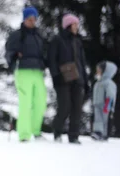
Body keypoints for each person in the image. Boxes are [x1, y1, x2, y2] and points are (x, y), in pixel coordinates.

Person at [4, 6, 48, 142]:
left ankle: (36, 130)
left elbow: (44, 52)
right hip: (23, 71)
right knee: (25, 103)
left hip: (37, 72)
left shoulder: (38, 35)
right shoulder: (17, 35)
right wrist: (14, 60)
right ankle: (24, 134)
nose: (32, 21)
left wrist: (45, 64)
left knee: (40, 102)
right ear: (24, 19)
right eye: (29, 18)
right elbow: (9, 52)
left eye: (34, 18)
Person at [48, 14, 89, 144]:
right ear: (68, 25)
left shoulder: (78, 41)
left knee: (77, 108)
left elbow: (82, 62)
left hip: (78, 79)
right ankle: (58, 132)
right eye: (75, 24)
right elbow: (51, 59)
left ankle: (74, 136)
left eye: (77, 24)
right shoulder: (57, 40)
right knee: (65, 106)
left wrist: (86, 80)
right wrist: (56, 76)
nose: (77, 27)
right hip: (63, 79)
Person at [92, 61, 117, 141]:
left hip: (105, 105)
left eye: (99, 70)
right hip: (97, 104)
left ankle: (104, 134)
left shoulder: (109, 83)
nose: (97, 72)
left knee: (105, 120)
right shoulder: (98, 83)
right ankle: (98, 132)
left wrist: (108, 105)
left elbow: (110, 95)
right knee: (98, 119)